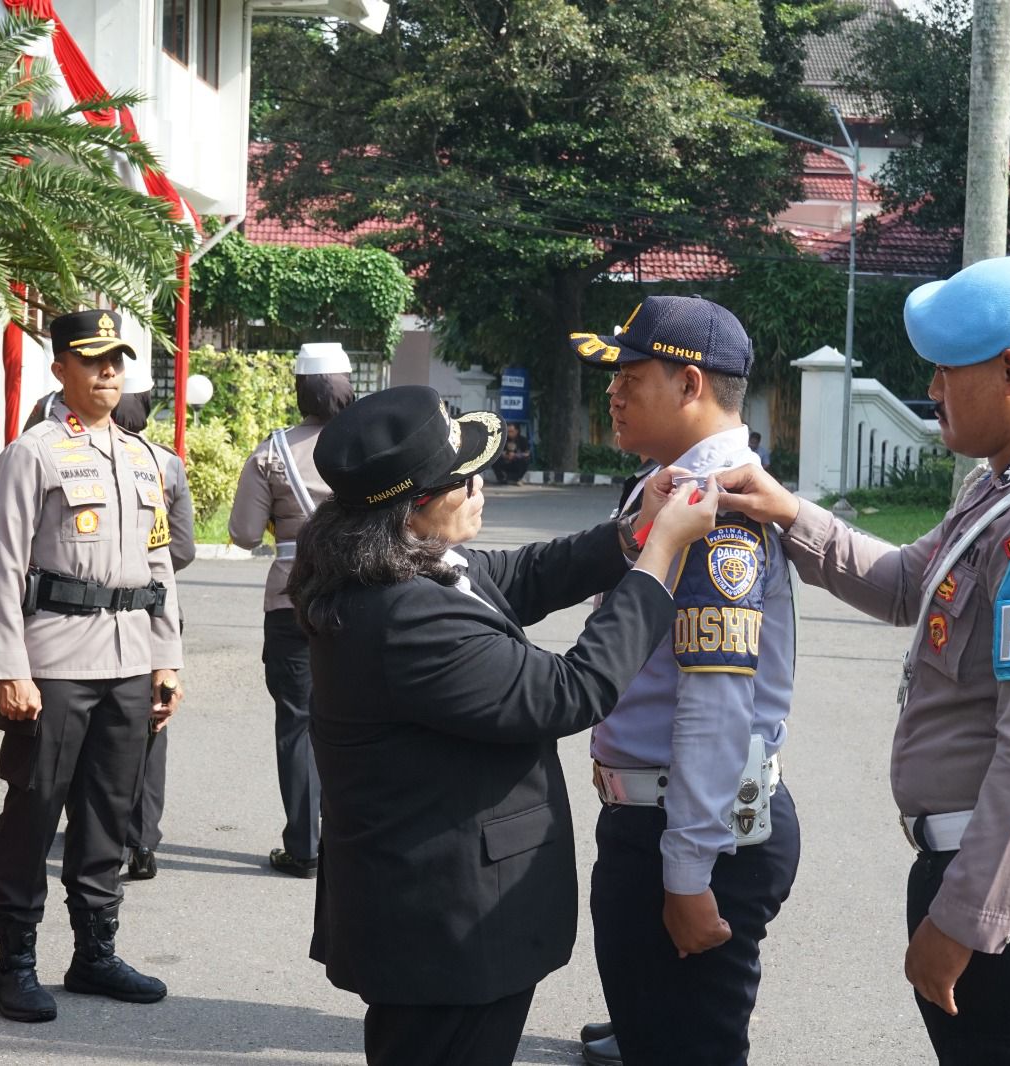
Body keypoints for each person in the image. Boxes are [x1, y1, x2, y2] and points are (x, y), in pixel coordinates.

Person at [714, 256, 1010, 1064]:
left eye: (948, 370)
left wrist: (964, 920)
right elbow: (910, 584)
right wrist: (787, 513)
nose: (932, 386)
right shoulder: (1003, 484)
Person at [290, 385, 720, 1066]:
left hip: (437, 918)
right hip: (443, 928)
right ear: (418, 504)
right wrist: (660, 555)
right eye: (465, 478)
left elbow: (521, 575)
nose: (481, 485)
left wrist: (631, 530)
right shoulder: (404, 616)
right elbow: (569, 692)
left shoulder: (396, 566)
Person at [567, 295, 799, 1066]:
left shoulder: (716, 508)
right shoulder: (671, 483)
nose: (614, 391)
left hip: (691, 828)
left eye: (632, 374)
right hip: (664, 817)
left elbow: (714, 704)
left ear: (691, 384)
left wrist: (689, 871)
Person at [0, 309, 184, 1022]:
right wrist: (11, 667)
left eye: (116, 361)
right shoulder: (30, 454)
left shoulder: (142, 458)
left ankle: (94, 952)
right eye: (92, 359)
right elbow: (3, 566)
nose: (107, 372)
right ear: (60, 367)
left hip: (129, 659)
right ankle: (15, 962)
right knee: (33, 810)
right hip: (56, 660)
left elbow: (158, 562)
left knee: (109, 813)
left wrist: (167, 657)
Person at [228, 341, 355, 878]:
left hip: (290, 603)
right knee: (360, 721)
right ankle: (355, 845)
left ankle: (304, 848)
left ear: (300, 388)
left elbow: (241, 533)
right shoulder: (369, 446)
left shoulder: (271, 452)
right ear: (348, 386)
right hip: (362, 601)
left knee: (298, 723)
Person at [102, 381, 196, 880]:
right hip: (159, 605)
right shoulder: (168, 464)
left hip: (94, 614)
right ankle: (143, 841)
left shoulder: (76, 451)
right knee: (152, 723)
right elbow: (182, 549)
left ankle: (104, 836)